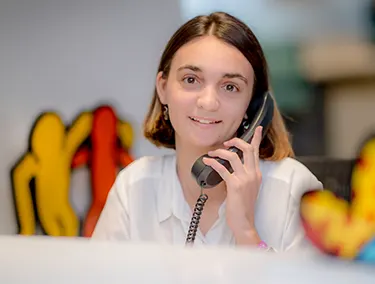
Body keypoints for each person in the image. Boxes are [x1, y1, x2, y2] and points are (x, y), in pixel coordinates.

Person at [91, 11, 323, 252]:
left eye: (230, 87)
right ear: (163, 88)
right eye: (191, 80)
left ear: (253, 106)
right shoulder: (135, 186)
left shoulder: (293, 189)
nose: (208, 102)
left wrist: (246, 231)